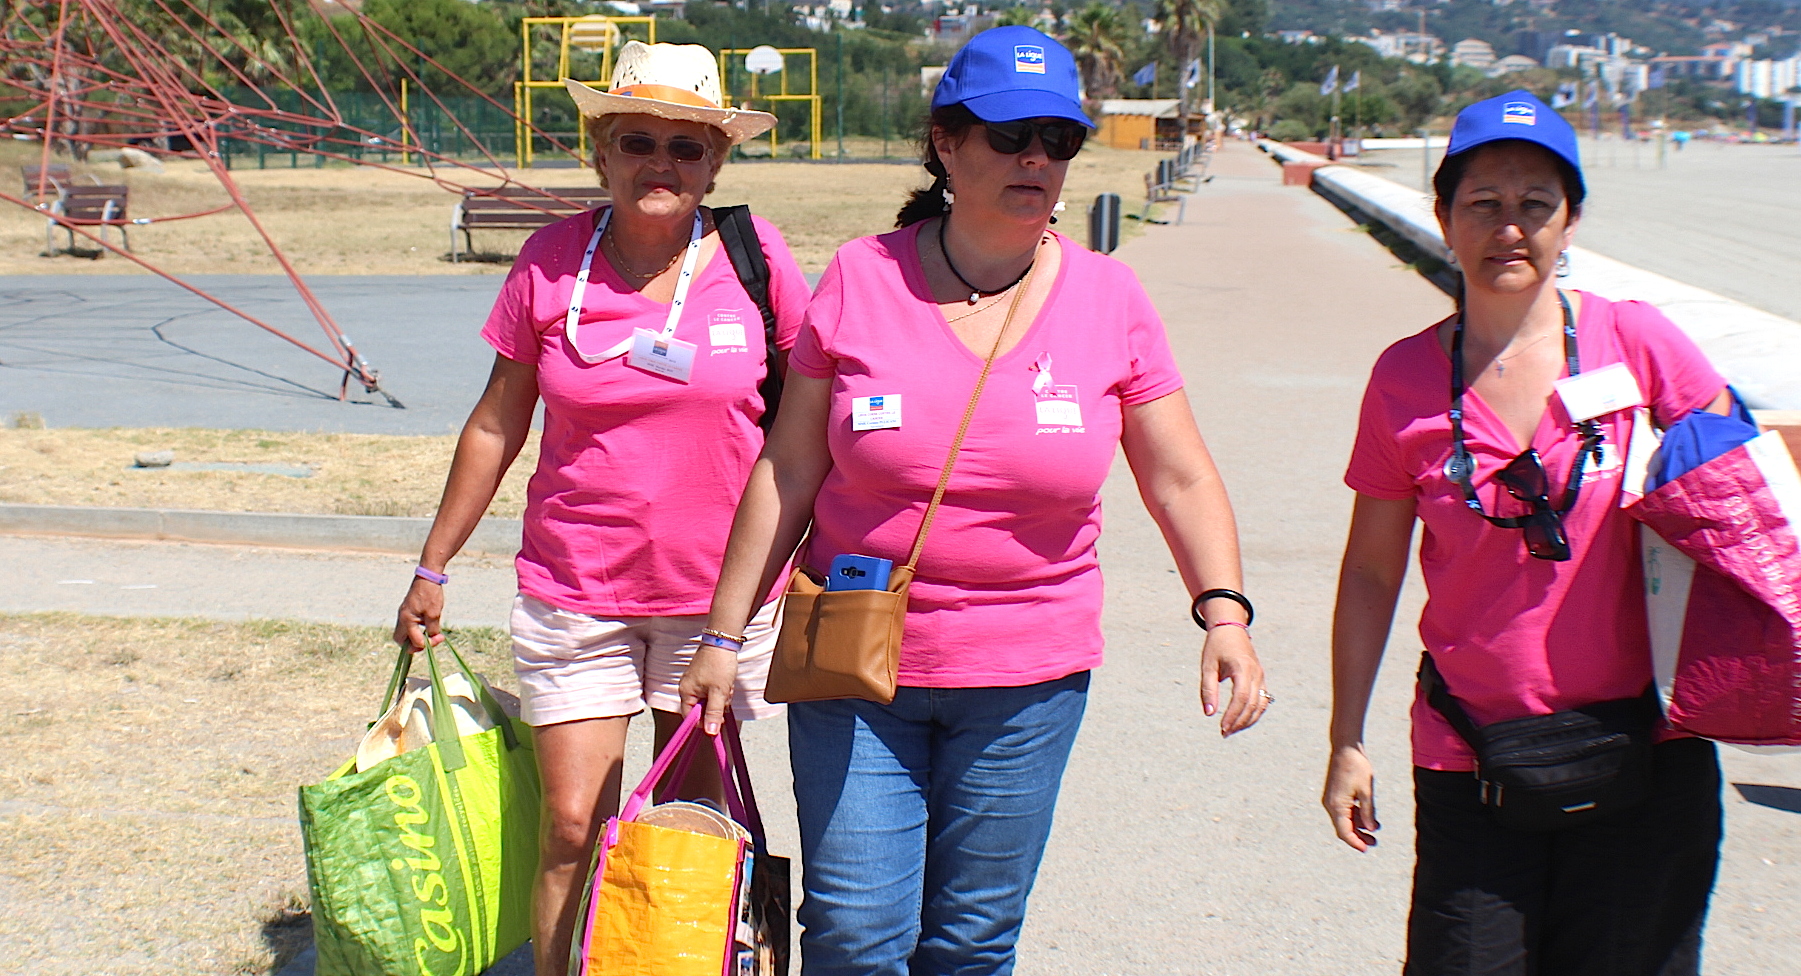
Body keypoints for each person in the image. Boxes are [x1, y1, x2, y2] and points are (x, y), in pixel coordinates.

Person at [682, 27, 1269, 975]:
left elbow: (1180, 474)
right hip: (854, 659)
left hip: (1029, 679)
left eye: (1057, 139)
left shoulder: (1110, 299)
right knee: (854, 931)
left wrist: (1225, 613)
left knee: (970, 941)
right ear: (946, 145)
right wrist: (719, 635)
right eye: (1008, 136)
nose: (1035, 158)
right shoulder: (861, 279)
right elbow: (788, 469)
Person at [390, 41, 809, 976]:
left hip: (720, 605)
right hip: (576, 589)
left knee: (690, 830)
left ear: (716, 162)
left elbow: (810, 418)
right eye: (636, 139)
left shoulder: (754, 257)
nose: (661, 162)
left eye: (687, 147)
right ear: (599, 151)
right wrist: (432, 564)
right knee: (573, 824)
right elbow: (497, 423)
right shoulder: (549, 262)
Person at [1322, 90, 1733, 976]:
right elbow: (1368, 571)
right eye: (1483, 204)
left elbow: (1746, 506)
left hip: (1646, 755)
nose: (1509, 228)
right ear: (1443, 216)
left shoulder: (1642, 346)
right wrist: (1345, 738)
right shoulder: (1403, 380)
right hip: (1472, 757)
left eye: (1534, 205)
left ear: (1571, 218)